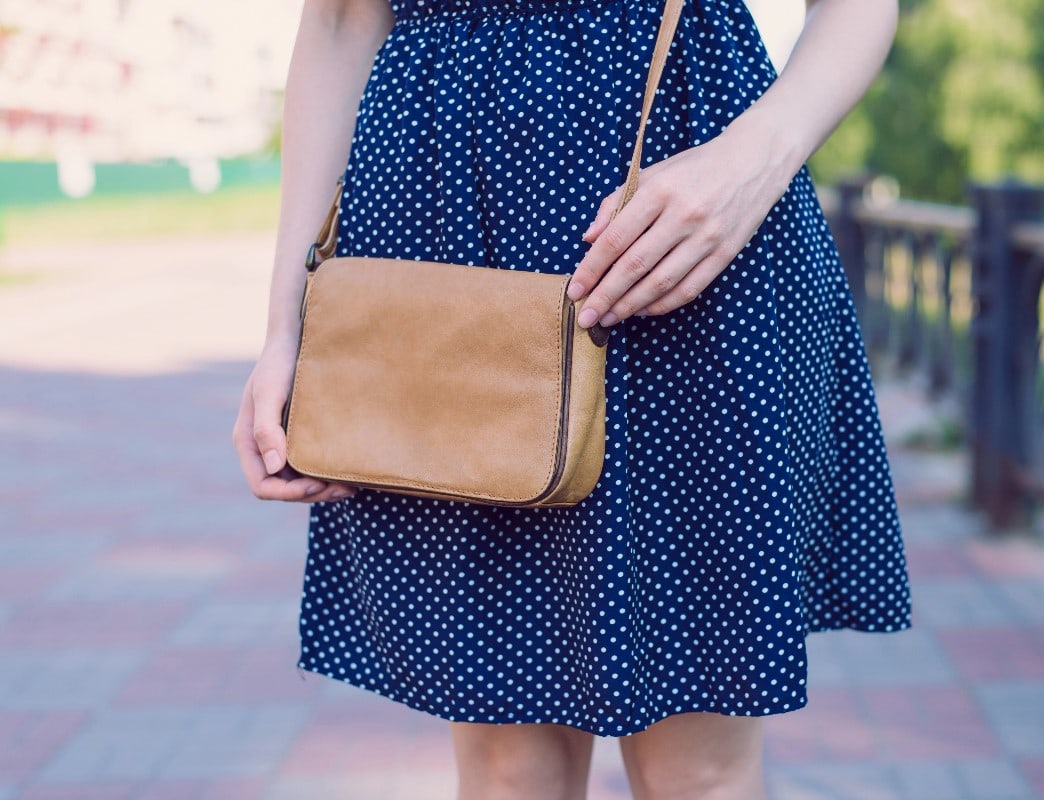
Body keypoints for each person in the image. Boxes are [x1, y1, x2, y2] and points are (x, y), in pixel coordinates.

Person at [232, 0, 911, 797]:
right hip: (449, 249)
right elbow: (342, 23)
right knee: (505, 768)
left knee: (696, 768)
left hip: (684, 218)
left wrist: (754, 161)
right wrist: (288, 327)